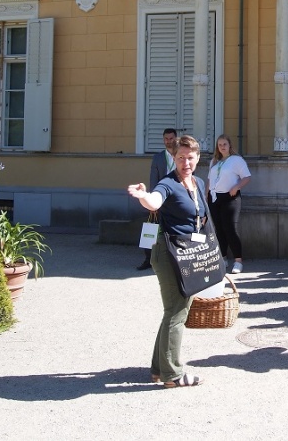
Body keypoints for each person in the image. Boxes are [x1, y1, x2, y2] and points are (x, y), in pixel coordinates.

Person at [127, 135, 208, 387]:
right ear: (174, 158)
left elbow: (201, 216)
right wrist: (143, 195)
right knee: (177, 311)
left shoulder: (197, 182)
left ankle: (158, 369)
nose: (185, 163)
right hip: (168, 252)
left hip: (188, 252)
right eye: (180, 157)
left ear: (197, 158)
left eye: (190, 157)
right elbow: (155, 201)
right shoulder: (168, 183)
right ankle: (172, 374)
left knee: (172, 311)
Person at [207, 134, 251, 274]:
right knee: (219, 229)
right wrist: (205, 196)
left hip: (230, 197)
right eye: (220, 145)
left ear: (229, 145)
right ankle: (223, 258)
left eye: (224, 144)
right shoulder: (214, 161)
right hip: (214, 197)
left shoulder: (236, 160)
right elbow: (209, 181)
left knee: (230, 228)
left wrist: (236, 187)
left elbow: (247, 177)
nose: (222, 147)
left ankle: (238, 261)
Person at [137, 127, 178, 271]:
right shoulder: (158, 158)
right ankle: (149, 259)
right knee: (153, 229)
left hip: (177, 199)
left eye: (171, 138)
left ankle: (174, 261)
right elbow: (153, 180)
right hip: (160, 198)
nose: (169, 141)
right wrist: (152, 201)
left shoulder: (181, 156)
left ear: (176, 139)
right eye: (166, 139)